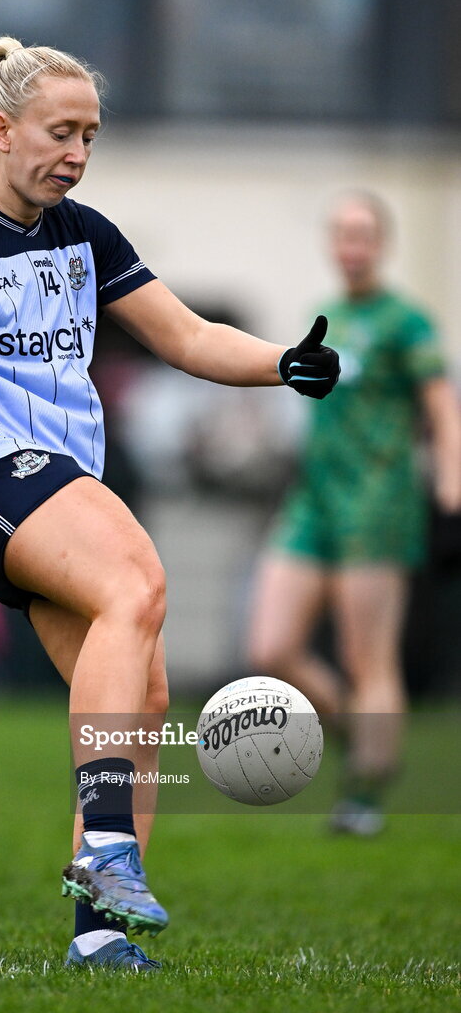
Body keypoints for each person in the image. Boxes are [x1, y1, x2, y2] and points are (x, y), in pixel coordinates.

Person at [0, 35, 339, 971]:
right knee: (136, 581)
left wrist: (280, 364)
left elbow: (187, 336)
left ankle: (98, 934)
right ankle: (103, 849)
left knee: (146, 691)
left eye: (89, 135)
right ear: (1, 130)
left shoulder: (83, 232)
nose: (77, 154)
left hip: (59, 481)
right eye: (60, 133)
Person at [247, 191, 461, 836]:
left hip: (378, 504)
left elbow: (443, 410)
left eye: (364, 234)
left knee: (369, 657)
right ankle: (363, 740)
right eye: (343, 233)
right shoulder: (327, 319)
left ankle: (365, 795)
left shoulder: (407, 323)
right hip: (313, 500)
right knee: (270, 647)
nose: (353, 245)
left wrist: (452, 485)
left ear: (382, 244)